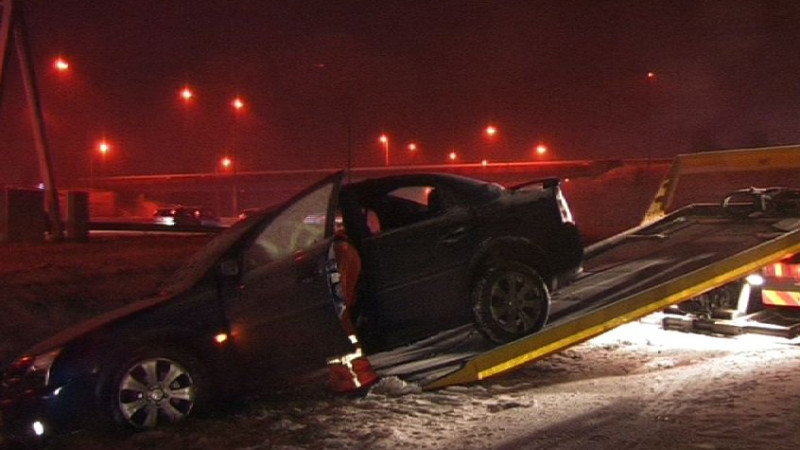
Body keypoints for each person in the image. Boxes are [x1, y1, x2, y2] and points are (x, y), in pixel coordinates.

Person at [325, 232, 379, 393]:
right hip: (347, 314)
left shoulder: (341, 251)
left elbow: (340, 293)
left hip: (344, 318)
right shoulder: (343, 250)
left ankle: (355, 382)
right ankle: (353, 380)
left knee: (345, 339)